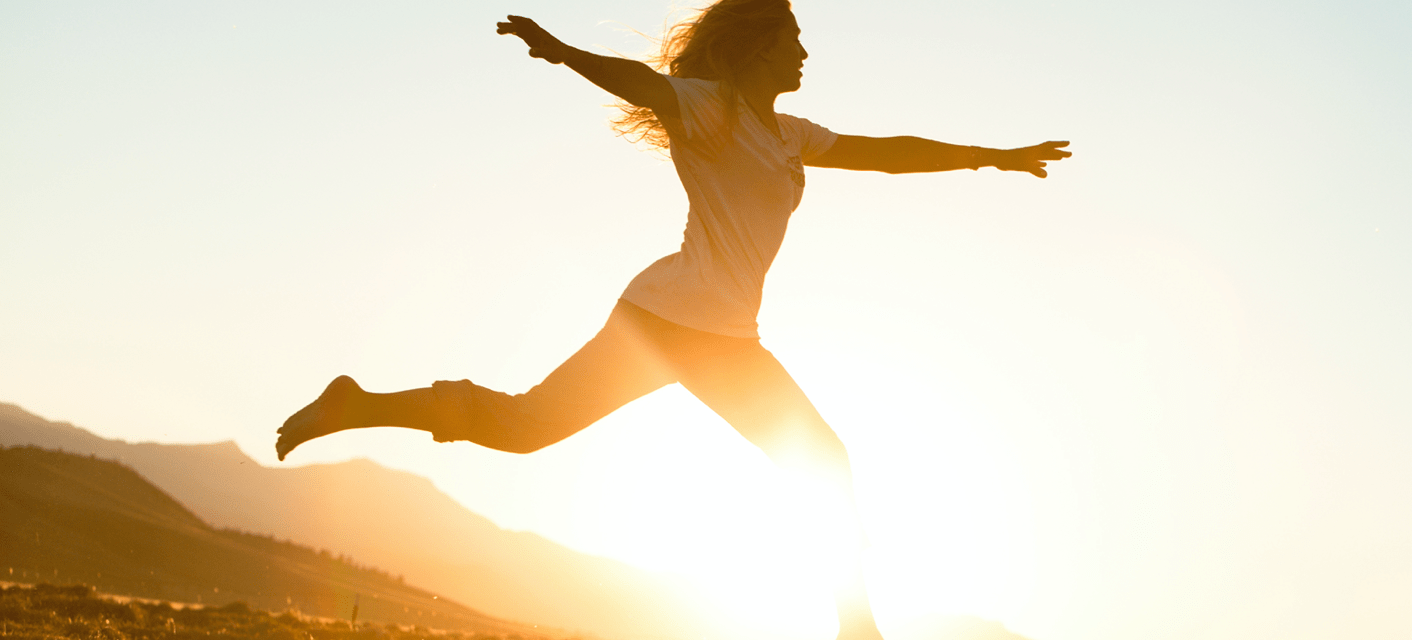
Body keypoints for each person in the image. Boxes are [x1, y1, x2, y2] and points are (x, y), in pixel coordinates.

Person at [274, 2, 1070, 639]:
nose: (803, 54)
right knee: (807, 457)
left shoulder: (789, 135)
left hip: (720, 337)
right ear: (754, 48)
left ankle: (359, 404)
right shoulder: (711, 107)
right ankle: (857, 630)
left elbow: (884, 151)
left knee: (806, 458)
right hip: (667, 322)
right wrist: (562, 52)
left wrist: (989, 155)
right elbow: (639, 82)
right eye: (792, 39)